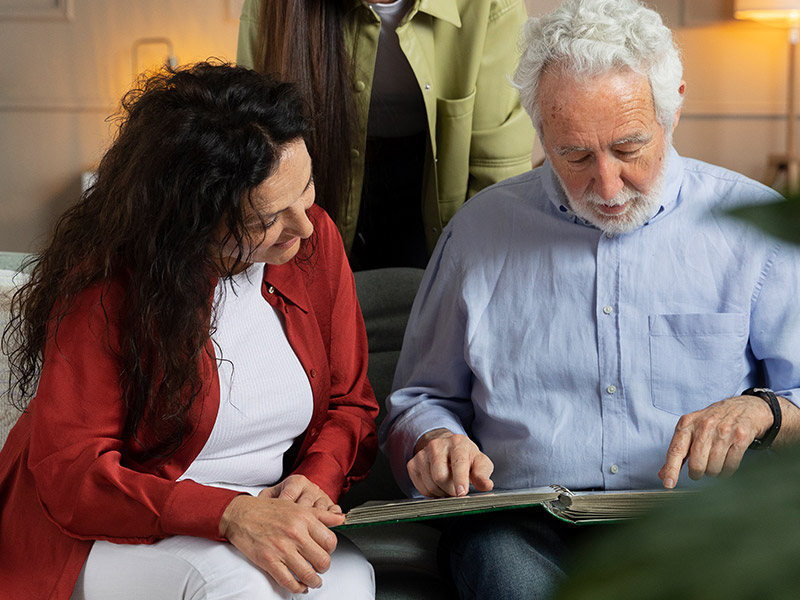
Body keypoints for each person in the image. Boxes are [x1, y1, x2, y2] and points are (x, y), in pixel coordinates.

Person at [378, 0, 800, 597]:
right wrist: (433, 440)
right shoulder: (477, 234)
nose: (605, 186)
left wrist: (765, 410)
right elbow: (418, 399)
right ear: (539, 128)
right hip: (519, 528)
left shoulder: (754, 230)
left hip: (700, 523)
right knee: (496, 559)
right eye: (573, 154)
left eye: (629, 148)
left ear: (673, 105)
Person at [0, 62, 379, 599]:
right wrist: (226, 513)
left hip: (265, 510)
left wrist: (314, 482)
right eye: (265, 220)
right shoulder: (108, 283)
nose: (306, 225)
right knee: (238, 588)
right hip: (113, 526)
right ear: (192, 218)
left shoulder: (313, 245)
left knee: (345, 582)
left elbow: (350, 403)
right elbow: (72, 473)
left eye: (308, 187)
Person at [237, 0, 536, 270]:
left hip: (432, 180)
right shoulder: (270, 7)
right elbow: (256, 155)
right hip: (322, 183)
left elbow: (497, 178)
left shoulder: (491, 7)